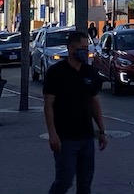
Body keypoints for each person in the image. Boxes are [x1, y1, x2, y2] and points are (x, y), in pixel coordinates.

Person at [42, 32, 107, 194]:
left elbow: (94, 102)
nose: (86, 51)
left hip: (86, 136)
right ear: (71, 48)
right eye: (83, 48)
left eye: (87, 48)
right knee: (65, 180)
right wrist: (52, 134)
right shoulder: (56, 72)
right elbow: (48, 105)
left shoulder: (89, 71)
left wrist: (102, 131)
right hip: (65, 138)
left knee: (85, 182)